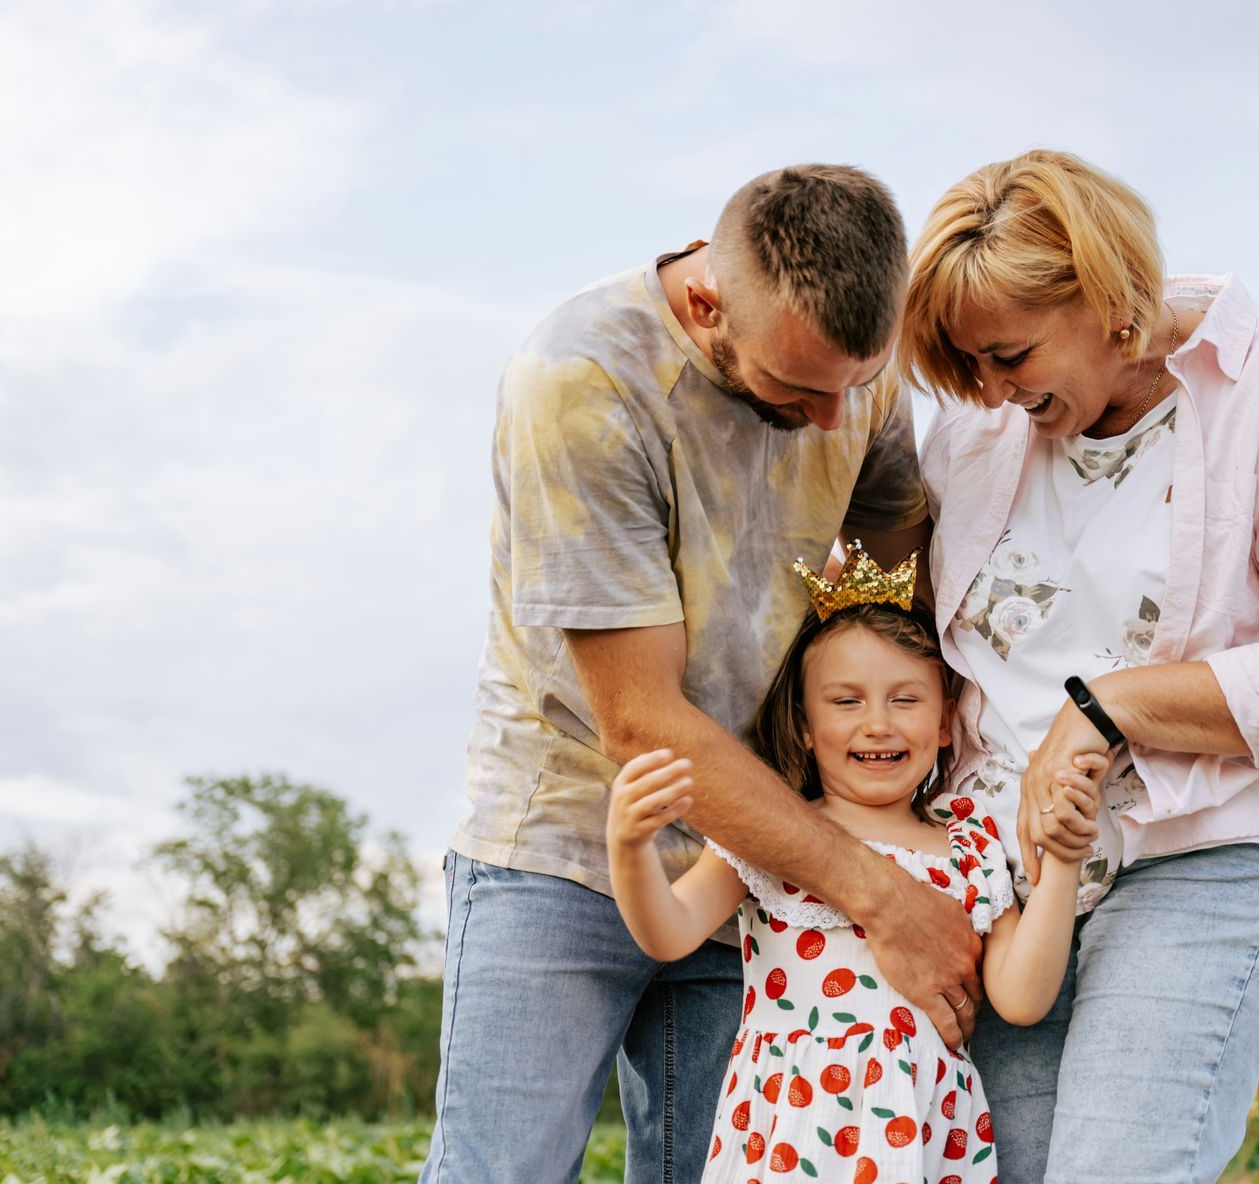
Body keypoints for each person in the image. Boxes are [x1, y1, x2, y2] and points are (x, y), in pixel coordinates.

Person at [422, 164, 985, 1184]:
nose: (833, 419)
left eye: (853, 386)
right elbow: (642, 719)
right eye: (798, 388)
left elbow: (887, 597)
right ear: (704, 300)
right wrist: (880, 893)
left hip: (762, 866)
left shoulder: (858, 373)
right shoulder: (582, 381)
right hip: (564, 842)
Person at [899, 149, 1259, 1183]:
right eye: (972, 366)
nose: (992, 391)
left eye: (1011, 355)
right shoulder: (975, 431)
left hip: (1202, 849)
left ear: (1104, 299)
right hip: (1006, 878)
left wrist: (1109, 709)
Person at [607, 548, 1091, 1184]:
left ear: (946, 722)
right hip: (792, 1122)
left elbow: (1022, 999)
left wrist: (1061, 864)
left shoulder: (968, 846)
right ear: (805, 725)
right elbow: (668, 932)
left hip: (923, 1129)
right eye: (845, 701)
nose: (877, 723)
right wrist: (629, 848)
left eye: (905, 698)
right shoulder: (773, 837)